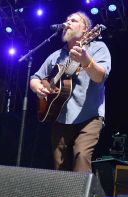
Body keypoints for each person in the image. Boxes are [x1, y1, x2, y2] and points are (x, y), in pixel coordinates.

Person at [30, 11, 111, 172]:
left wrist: (86, 61)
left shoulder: (97, 47)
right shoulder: (56, 55)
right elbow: (35, 77)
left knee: (81, 156)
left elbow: (100, 76)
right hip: (60, 116)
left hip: (90, 115)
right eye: (66, 20)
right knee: (59, 164)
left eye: (73, 21)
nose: (67, 23)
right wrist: (38, 87)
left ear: (86, 29)